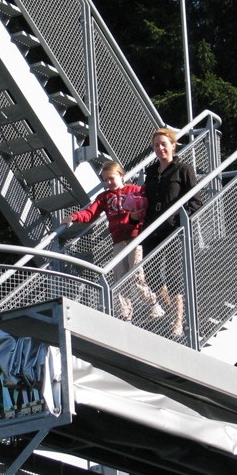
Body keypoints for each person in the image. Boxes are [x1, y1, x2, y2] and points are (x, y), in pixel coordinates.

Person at [62, 161, 164, 321]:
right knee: (120, 278)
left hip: (135, 238)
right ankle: (125, 316)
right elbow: (90, 212)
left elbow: (146, 207)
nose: (108, 182)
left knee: (136, 275)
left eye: (111, 178)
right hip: (118, 241)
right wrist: (74, 217)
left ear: (121, 175)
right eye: (105, 180)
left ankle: (153, 303)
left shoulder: (134, 190)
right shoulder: (104, 197)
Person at [141, 127, 201, 338]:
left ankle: (178, 321)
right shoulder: (150, 172)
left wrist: (179, 218)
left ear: (173, 146)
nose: (160, 148)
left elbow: (196, 201)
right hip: (152, 229)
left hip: (174, 230)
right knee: (151, 275)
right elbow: (145, 199)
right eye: (156, 145)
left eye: (164, 144)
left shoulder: (183, 169)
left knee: (174, 276)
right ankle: (173, 312)